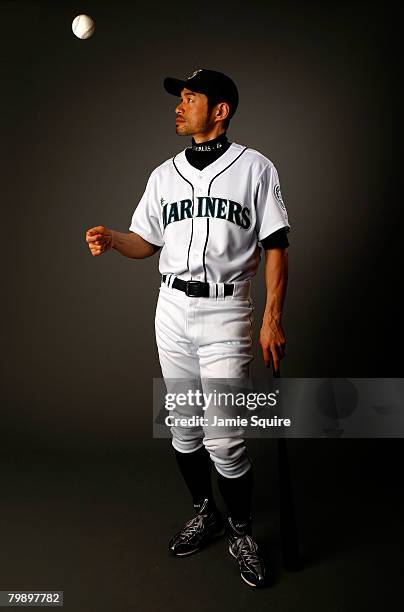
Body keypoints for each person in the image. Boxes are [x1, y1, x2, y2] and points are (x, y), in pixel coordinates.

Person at [85, 69, 290, 588]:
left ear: (220, 110)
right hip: (171, 309)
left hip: (227, 310)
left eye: (191, 97)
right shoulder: (162, 175)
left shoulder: (256, 168)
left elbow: (276, 245)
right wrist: (113, 238)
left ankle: (242, 529)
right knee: (183, 428)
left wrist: (271, 319)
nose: (180, 105)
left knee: (226, 438)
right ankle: (207, 512)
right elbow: (145, 243)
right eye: (179, 97)